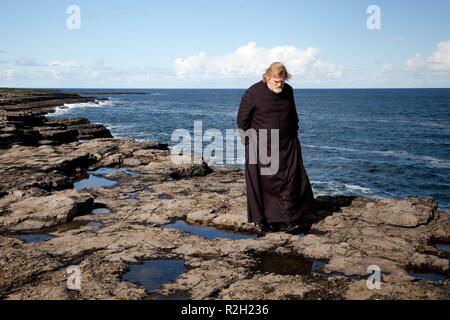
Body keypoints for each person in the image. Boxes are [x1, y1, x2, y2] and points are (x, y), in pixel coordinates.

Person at [237, 62, 316, 233]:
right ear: (267, 77)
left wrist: (294, 134)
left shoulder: (288, 91)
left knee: (290, 179)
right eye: (276, 81)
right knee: (266, 183)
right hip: (262, 144)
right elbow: (242, 120)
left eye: (282, 81)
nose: (279, 84)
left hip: (287, 143)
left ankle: (290, 218)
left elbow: (293, 114)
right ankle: (264, 220)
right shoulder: (253, 93)